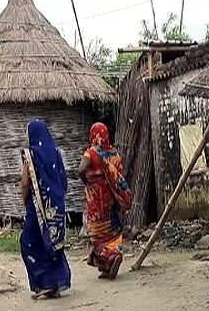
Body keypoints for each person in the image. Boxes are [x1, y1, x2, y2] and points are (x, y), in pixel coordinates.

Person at [20, 119, 72, 300]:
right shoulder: (55, 153)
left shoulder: (30, 155)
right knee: (52, 243)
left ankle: (46, 284)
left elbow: (26, 183)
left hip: (37, 208)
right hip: (56, 206)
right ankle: (54, 284)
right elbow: (63, 181)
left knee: (29, 242)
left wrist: (25, 199)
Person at [78, 122, 131, 280]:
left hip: (96, 200)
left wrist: (87, 181)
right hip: (111, 200)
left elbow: (81, 169)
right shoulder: (114, 154)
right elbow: (118, 174)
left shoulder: (91, 153)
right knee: (112, 231)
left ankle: (111, 257)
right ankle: (107, 267)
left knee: (96, 233)